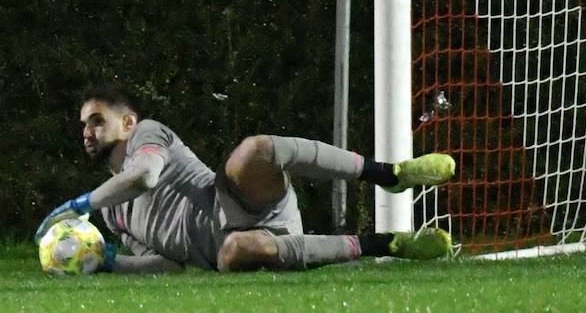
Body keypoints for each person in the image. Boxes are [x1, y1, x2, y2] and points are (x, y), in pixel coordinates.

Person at [34, 84, 455, 274]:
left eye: (97, 121)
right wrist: (109, 263)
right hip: (236, 248)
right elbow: (167, 265)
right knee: (235, 249)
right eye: (83, 125)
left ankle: (389, 174)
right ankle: (387, 243)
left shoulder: (148, 134)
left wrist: (81, 204)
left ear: (127, 123)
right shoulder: (115, 216)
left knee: (252, 151)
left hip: (235, 199)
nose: (87, 132)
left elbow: (144, 176)